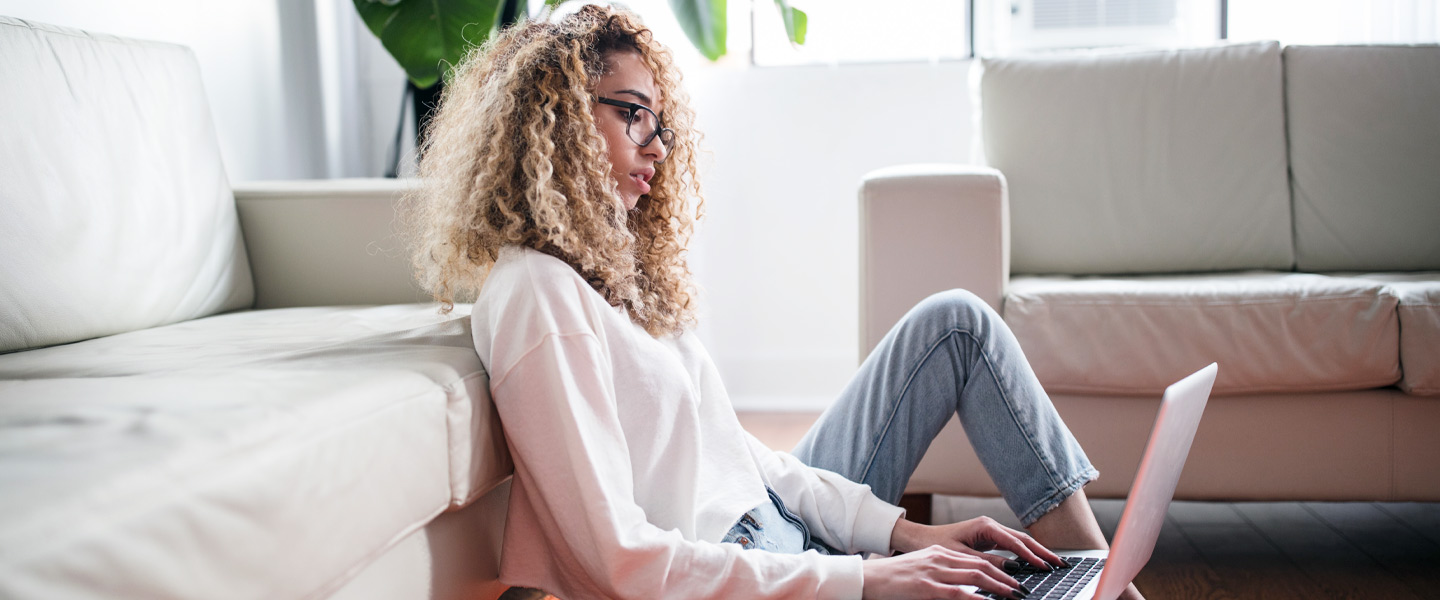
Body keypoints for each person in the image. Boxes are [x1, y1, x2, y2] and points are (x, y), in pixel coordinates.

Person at [406, 5, 1144, 599]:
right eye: (631, 113)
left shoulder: (613, 277)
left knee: (956, 324)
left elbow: (744, 457)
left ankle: (1093, 577)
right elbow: (617, 563)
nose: (657, 148)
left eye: (658, 124)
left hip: (781, 535)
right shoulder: (539, 293)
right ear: (556, 116)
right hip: (748, 571)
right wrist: (862, 580)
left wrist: (899, 535)